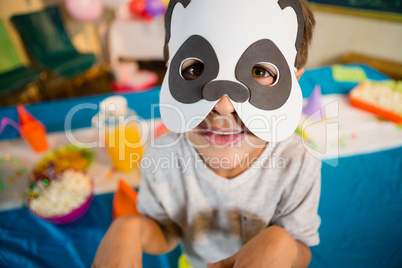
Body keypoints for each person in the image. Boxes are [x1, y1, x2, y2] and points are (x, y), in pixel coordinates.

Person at [92, 0, 319, 267]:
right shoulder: (161, 156)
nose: (223, 106)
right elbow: (166, 231)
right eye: (195, 69)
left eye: (260, 71)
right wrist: (128, 228)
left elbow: (302, 248)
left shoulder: (298, 162)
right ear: (169, 71)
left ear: (295, 82)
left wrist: (282, 244)